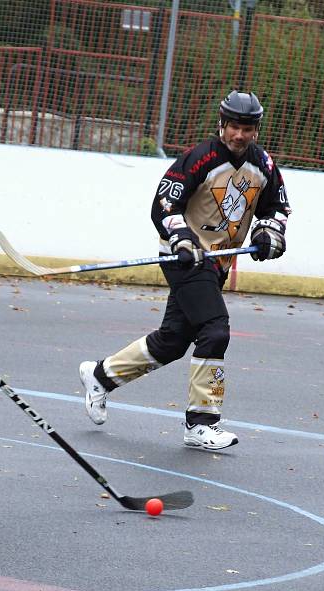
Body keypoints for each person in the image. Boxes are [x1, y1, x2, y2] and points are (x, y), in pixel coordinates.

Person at [79, 90, 291, 450]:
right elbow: (163, 205)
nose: (240, 135)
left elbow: (277, 208)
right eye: (234, 127)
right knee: (215, 329)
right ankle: (201, 423)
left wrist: (270, 232)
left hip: (218, 262)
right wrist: (181, 238)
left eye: (248, 128)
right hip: (187, 260)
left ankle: (101, 375)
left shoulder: (264, 165)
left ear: (256, 129)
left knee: (174, 340)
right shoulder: (199, 158)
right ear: (221, 124)